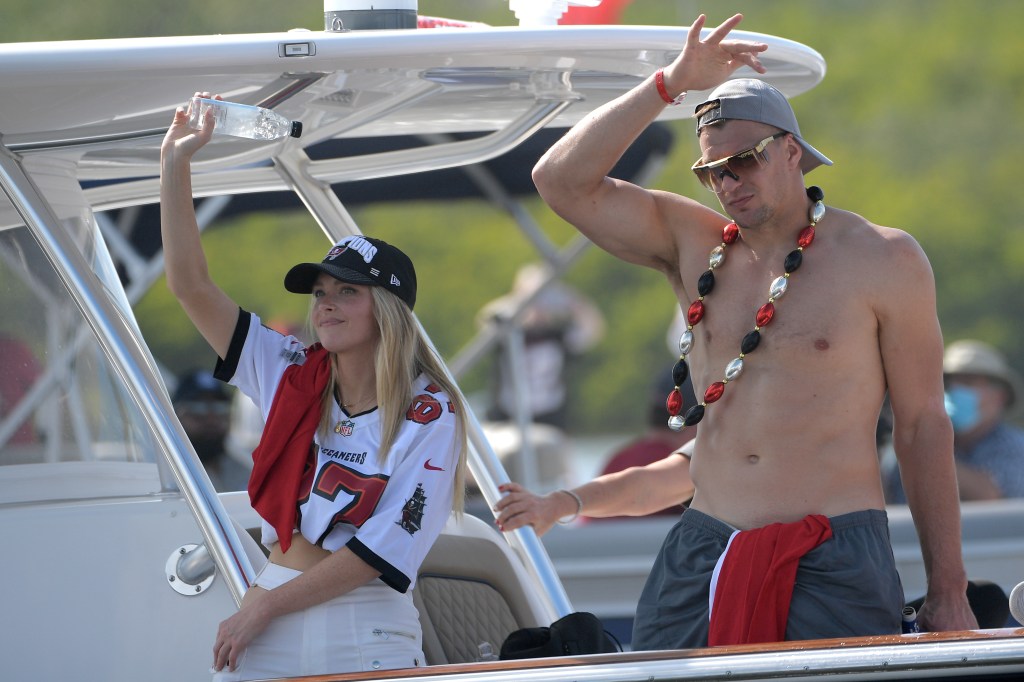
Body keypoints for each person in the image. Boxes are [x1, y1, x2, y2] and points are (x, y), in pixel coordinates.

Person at [521, 13, 976, 648]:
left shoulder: (883, 257)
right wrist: (671, 84)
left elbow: (924, 423)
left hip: (833, 547)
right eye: (713, 172)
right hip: (704, 543)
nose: (729, 183)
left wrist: (949, 589)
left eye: (744, 161)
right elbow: (559, 180)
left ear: (792, 150)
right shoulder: (694, 246)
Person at [161, 93, 468, 680]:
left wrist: (266, 606)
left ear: (388, 311)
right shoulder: (289, 371)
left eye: (347, 292)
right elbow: (190, 286)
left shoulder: (431, 411)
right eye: (321, 292)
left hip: (361, 617)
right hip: (270, 600)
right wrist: (176, 165)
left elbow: (380, 551)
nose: (325, 305)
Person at [887, 340, 1024, 502]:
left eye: (968, 382)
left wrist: (928, 452)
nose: (955, 389)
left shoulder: (1015, 447)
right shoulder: (905, 445)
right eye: (948, 382)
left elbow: (990, 496)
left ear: (1000, 397)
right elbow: (888, 499)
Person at [477, 262, 605, 429]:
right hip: (506, 417)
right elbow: (484, 321)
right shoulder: (506, 331)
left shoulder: (560, 334)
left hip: (550, 419)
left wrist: (568, 299)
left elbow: (593, 331)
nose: (539, 307)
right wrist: (520, 300)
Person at [173, 369, 250, 492]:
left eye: (219, 408)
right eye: (198, 409)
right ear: (175, 416)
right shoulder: (164, 477)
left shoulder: (246, 471)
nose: (211, 419)